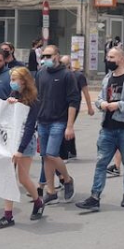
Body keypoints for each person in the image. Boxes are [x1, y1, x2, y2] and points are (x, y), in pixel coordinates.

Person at [75, 48, 124, 212]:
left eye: (111, 57)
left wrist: (119, 105)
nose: (108, 59)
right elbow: (100, 98)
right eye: (107, 57)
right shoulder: (107, 78)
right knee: (101, 162)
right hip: (107, 128)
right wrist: (102, 104)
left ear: (121, 58)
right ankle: (95, 196)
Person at [0, 67, 45, 230]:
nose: (11, 83)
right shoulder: (13, 95)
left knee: (23, 178)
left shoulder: (33, 100)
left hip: (24, 143)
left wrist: (20, 149)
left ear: (23, 81)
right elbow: (3, 118)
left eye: (14, 79)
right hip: (11, 140)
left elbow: (29, 127)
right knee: (8, 176)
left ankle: (38, 201)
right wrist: (8, 104)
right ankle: (8, 215)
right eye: (11, 79)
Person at [34, 45, 80, 206]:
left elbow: (74, 101)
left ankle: (67, 180)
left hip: (58, 121)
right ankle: (51, 191)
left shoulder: (67, 75)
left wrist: (69, 126)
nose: (46, 58)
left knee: (52, 154)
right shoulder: (41, 74)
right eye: (44, 56)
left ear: (57, 56)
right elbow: (36, 96)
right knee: (45, 156)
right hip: (43, 120)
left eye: (49, 55)